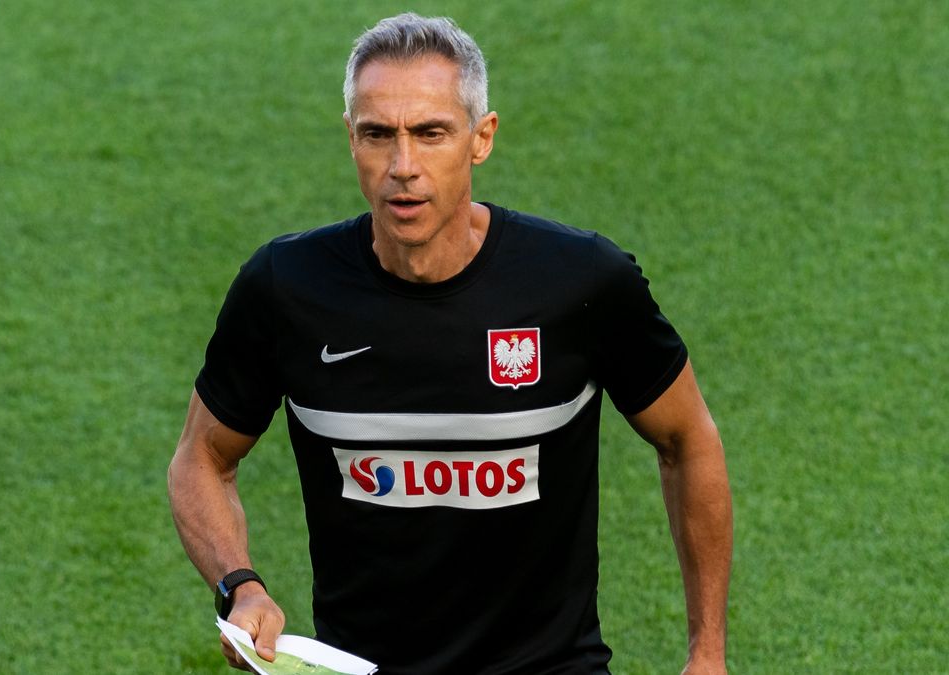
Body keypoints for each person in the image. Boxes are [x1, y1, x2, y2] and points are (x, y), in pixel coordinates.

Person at [168, 13, 732, 675]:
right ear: (351, 139)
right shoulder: (286, 289)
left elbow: (686, 438)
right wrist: (242, 585)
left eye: (430, 133)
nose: (403, 166)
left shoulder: (579, 283)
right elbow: (201, 457)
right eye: (379, 135)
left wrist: (708, 653)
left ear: (480, 137)